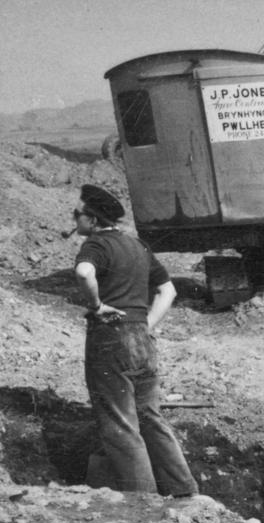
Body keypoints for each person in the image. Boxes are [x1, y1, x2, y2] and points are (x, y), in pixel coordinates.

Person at [70, 184, 197, 497]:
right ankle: (183, 490)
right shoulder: (137, 246)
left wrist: (96, 306)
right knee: (150, 418)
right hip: (142, 338)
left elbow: (85, 273)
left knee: (120, 425)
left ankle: (142, 500)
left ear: (94, 221)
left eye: (78, 214)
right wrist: (146, 323)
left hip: (110, 339)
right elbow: (169, 291)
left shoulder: (96, 244)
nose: (75, 219)